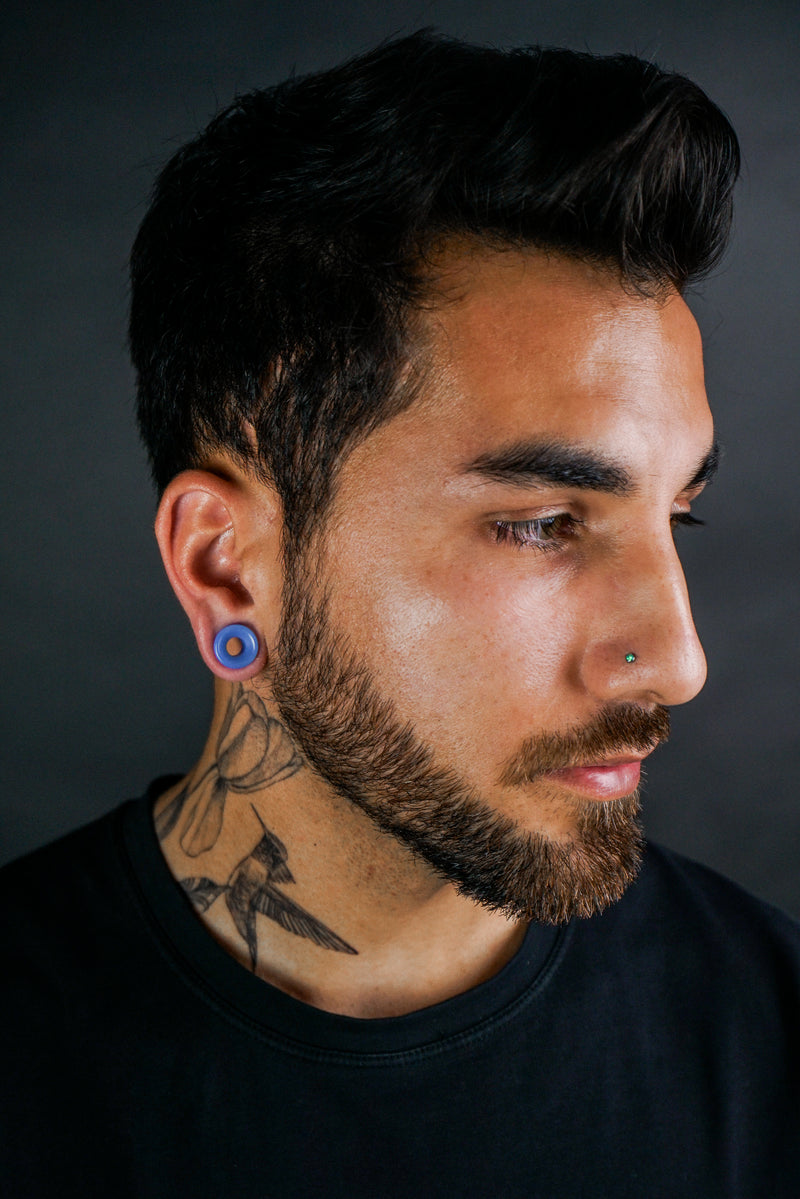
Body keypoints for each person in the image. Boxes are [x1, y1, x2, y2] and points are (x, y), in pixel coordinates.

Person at [2, 30, 799, 1198]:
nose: (675, 661)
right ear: (228, 571)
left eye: (675, 513)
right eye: (542, 522)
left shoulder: (770, 1041)